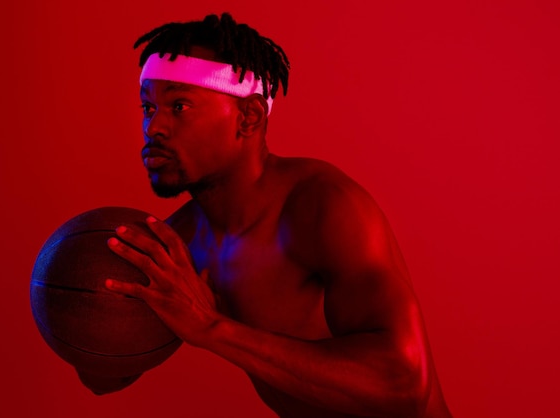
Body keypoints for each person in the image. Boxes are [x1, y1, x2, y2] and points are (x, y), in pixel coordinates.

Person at [79, 13, 453, 418]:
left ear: (250, 116)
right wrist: (87, 295)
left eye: (179, 106)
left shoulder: (321, 207)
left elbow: (402, 384)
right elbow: (103, 377)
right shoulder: (182, 242)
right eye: (149, 107)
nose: (155, 127)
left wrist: (210, 327)